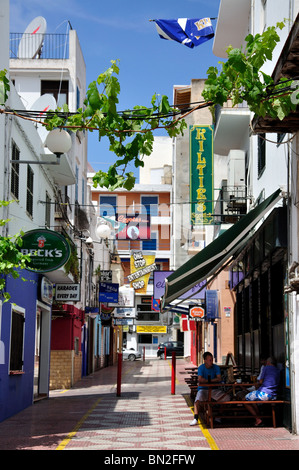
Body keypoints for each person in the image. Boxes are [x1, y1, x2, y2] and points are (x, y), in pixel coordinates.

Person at [190, 351, 231, 426]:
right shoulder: (201, 368)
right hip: (203, 389)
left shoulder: (216, 367)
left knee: (227, 398)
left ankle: (219, 416)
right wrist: (212, 380)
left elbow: (219, 378)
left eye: (212, 360)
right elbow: (200, 379)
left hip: (214, 389)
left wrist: (208, 381)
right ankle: (195, 418)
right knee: (197, 401)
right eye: (210, 360)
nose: (211, 362)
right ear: (205, 360)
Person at [244, 356, 281, 426]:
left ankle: (258, 419)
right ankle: (259, 419)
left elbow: (260, 381)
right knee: (252, 399)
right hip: (273, 395)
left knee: (245, 399)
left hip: (264, 393)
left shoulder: (266, 368)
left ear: (268, 362)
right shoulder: (277, 370)